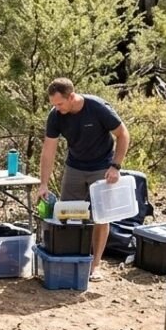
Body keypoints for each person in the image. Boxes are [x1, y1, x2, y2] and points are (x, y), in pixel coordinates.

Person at [33, 78, 131, 281]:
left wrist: (116, 166)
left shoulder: (97, 107)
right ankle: (70, 260)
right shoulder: (56, 116)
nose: (57, 108)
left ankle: (95, 265)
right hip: (75, 166)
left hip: (102, 168)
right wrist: (43, 183)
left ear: (72, 96)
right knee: (67, 214)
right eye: (54, 104)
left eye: (60, 104)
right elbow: (48, 150)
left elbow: (123, 134)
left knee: (100, 217)